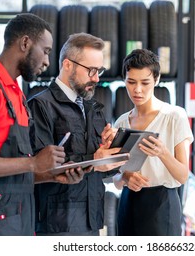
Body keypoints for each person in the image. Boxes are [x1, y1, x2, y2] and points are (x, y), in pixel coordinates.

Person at [0, 13, 86, 236]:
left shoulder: (16, 94)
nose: (47, 62)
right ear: (25, 43)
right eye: (46, 51)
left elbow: (12, 175)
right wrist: (32, 164)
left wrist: (51, 174)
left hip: (19, 220)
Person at [28, 32, 124, 236]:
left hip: (92, 222)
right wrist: (93, 160)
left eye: (99, 70)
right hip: (57, 224)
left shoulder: (93, 107)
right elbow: (40, 167)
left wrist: (111, 154)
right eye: (91, 70)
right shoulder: (41, 106)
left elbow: (102, 171)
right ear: (67, 64)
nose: (97, 78)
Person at [113, 48, 194, 236]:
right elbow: (113, 177)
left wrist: (163, 153)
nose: (137, 89)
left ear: (156, 80)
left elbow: (183, 176)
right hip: (127, 202)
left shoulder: (174, 116)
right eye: (131, 82)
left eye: (145, 83)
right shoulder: (122, 122)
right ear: (124, 80)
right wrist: (125, 178)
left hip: (162, 204)